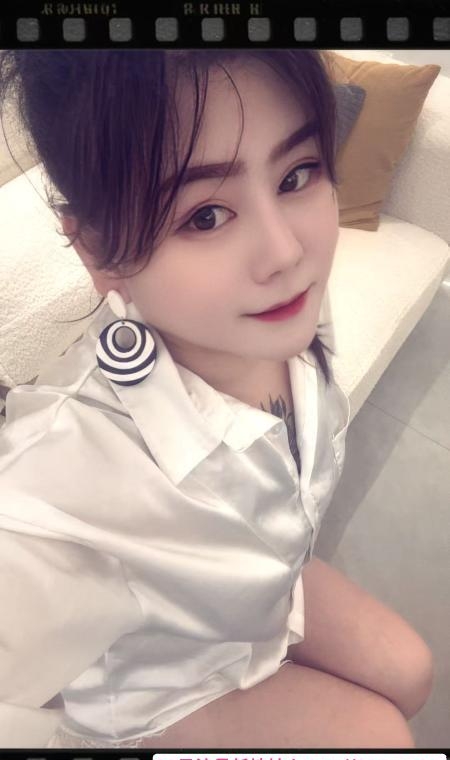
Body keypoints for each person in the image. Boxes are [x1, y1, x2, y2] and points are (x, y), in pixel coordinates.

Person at [0, 49, 433, 749]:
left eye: (296, 174)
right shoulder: (60, 478)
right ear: (98, 251)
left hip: (262, 593)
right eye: (205, 216)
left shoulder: (289, 319)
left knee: (412, 671)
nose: (286, 251)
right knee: (384, 735)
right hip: (160, 689)